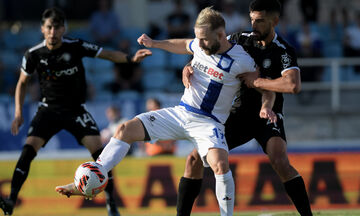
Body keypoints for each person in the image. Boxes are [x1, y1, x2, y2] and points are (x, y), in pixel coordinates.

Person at [55, 7, 277, 216]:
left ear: (220, 35)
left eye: (203, 38)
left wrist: (266, 106)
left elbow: (264, 86)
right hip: (181, 113)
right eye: (197, 37)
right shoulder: (201, 44)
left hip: (209, 123)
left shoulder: (243, 60)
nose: (198, 43)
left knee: (220, 164)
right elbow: (183, 44)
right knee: (125, 129)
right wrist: (154, 43)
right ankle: (89, 180)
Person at [0, 8, 151, 216]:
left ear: (63, 28)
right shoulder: (34, 54)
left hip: (75, 110)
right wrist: (18, 112)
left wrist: (130, 58)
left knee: (101, 154)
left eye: (57, 27)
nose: (53, 31)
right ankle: (11, 201)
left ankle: (111, 204)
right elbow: (22, 83)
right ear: (42, 29)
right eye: (49, 27)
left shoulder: (76, 46)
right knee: (27, 151)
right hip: (48, 110)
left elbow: (106, 53)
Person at [177, 0, 313, 215]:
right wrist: (189, 66)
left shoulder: (283, 50)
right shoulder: (241, 39)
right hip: (238, 113)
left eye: (259, 21)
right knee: (194, 158)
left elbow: (292, 85)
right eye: (252, 19)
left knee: (279, 158)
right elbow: (208, 50)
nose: (254, 25)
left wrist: (258, 82)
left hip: (268, 113)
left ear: (274, 21)